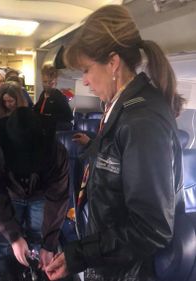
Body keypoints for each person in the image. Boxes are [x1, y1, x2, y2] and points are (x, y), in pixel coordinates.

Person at [45, 5, 184, 281]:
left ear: (112, 62)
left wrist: (79, 255)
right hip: (112, 262)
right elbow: (121, 163)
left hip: (130, 272)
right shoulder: (122, 107)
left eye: (86, 69)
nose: (83, 81)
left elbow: (150, 227)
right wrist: (93, 148)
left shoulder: (141, 119)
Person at [0, 107, 69, 281]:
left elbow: (58, 198)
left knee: (38, 239)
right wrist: (14, 237)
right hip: (8, 195)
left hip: (41, 195)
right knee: (5, 245)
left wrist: (49, 246)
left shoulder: (56, 152)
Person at [34, 65, 73, 130]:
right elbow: (37, 109)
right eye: (45, 82)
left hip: (53, 132)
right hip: (41, 131)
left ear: (55, 82)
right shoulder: (43, 94)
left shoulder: (59, 96)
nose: (47, 85)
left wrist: (49, 117)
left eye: (50, 82)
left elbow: (69, 117)